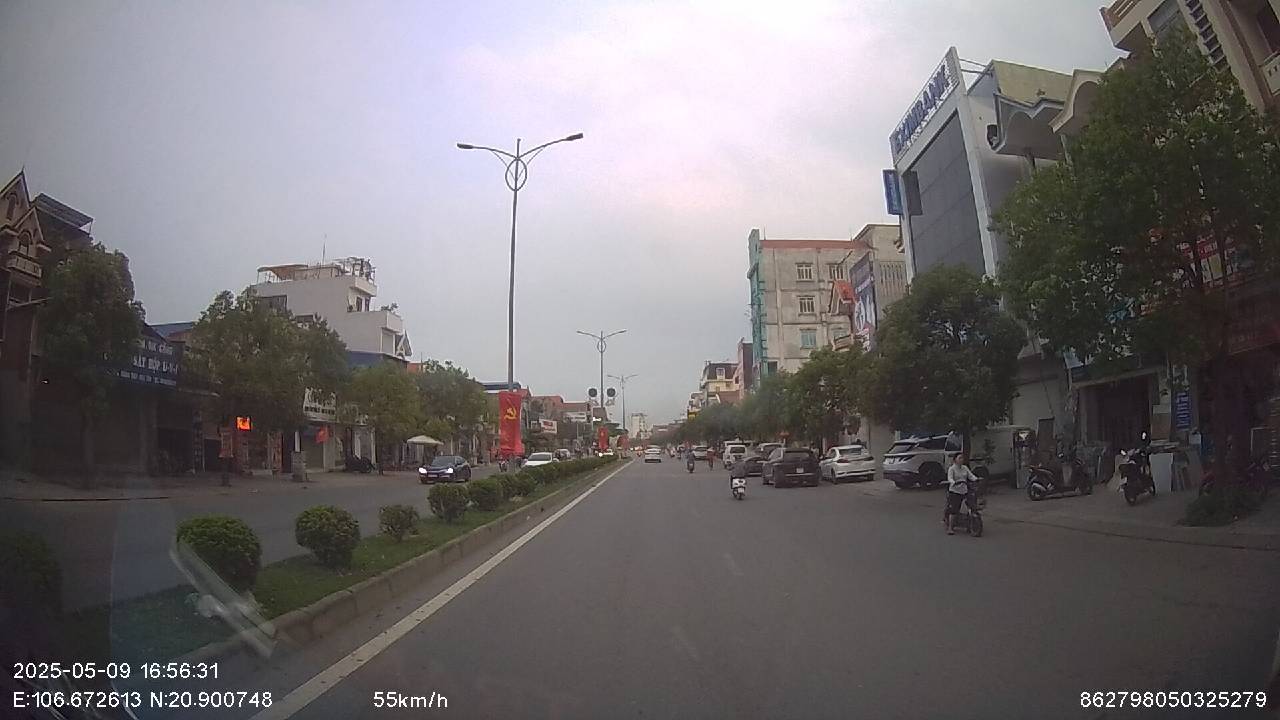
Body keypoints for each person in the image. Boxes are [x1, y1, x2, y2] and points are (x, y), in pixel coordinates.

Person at [944, 453, 979, 535]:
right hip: (955, 491)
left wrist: (976, 479)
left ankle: (970, 524)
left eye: (962, 458)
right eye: (959, 458)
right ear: (955, 460)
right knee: (954, 510)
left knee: (971, 505)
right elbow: (950, 478)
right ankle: (950, 528)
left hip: (964, 490)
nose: (961, 459)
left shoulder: (965, 468)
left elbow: (971, 476)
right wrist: (953, 482)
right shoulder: (952, 469)